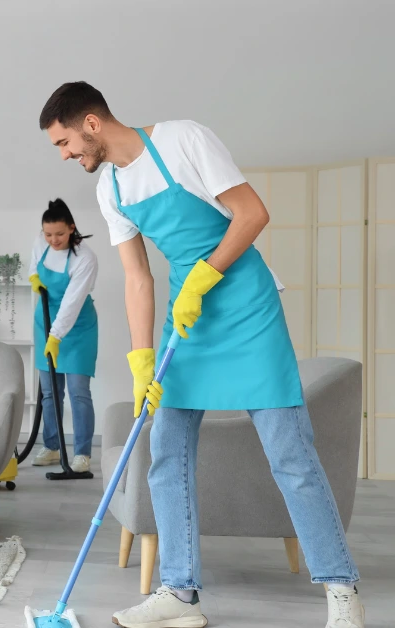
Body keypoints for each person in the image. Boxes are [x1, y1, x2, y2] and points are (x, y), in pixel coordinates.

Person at [39, 81, 363, 628]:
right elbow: (138, 278)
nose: (67, 155)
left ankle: (340, 589)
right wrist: (141, 360)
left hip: (243, 303)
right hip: (187, 319)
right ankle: (179, 595)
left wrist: (205, 276)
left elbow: (252, 214)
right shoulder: (110, 191)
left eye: (65, 142)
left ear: (91, 123)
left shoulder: (182, 140)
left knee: (291, 454)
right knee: (166, 453)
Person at [28, 198, 99, 474]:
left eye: (59, 234)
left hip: (77, 327)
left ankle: (82, 455)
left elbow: (72, 302)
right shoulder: (40, 241)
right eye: (48, 234)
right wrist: (34, 277)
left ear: (71, 228)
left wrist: (56, 336)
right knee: (49, 393)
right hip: (43, 321)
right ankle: (52, 446)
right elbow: (35, 262)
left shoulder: (85, 258)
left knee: (79, 392)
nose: (53, 240)